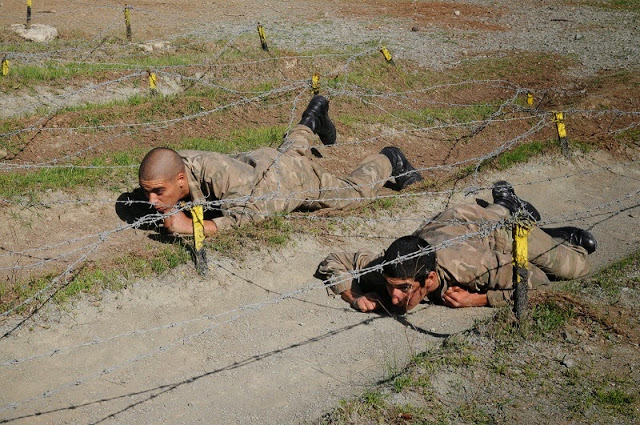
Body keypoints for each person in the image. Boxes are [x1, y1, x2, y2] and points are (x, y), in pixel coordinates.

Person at [134, 95, 423, 236]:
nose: (151, 200)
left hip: (290, 183)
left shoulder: (222, 177)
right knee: (290, 152)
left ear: (181, 180)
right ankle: (312, 120)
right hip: (262, 163)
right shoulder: (171, 164)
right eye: (148, 192)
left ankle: (389, 159)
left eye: (158, 191)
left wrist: (191, 228)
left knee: (353, 194)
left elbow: (246, 219)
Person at [315, 181, 597, 312]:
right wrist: (354, 296)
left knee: (577, 267)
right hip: (450, 225)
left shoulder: (469, 267)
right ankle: (507, 206)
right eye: (391, 286)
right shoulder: (391, 267)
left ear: (431, 278)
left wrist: (480, 299)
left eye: (404, 289)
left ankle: (536, 228)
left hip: (491, 233)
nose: (395, 297)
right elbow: (334, 260)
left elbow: (537, 281)